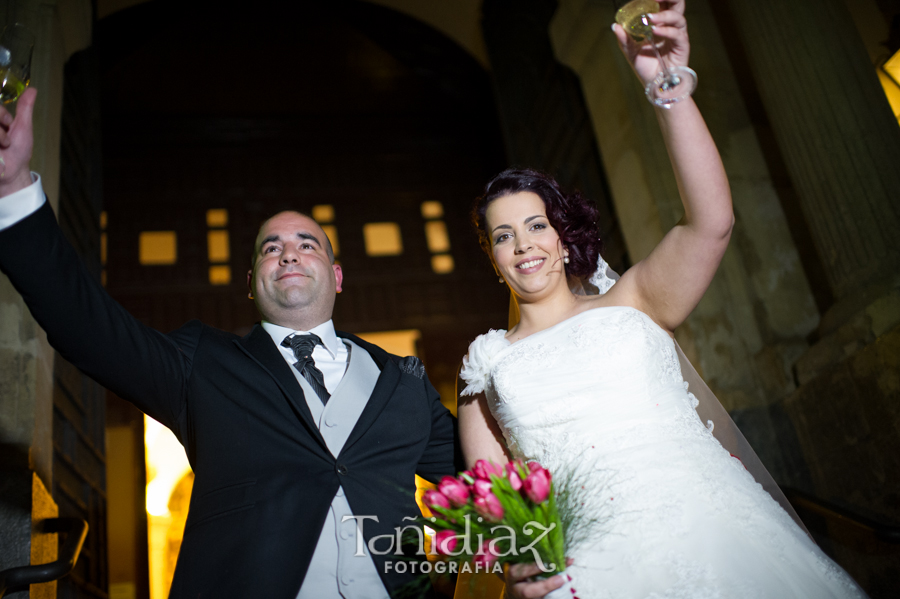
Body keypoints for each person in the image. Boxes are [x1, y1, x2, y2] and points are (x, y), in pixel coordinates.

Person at [457, 2, 868, 598]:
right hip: (589, 573)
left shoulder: (635, 300)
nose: (523, 244)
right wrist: (518, 565)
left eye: (536, 225)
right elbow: (496, 503)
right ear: (493, 259)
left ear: (563, 236)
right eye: (503, 235)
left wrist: (665, 89)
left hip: (719, 537)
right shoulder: (485, 364)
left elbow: (712, 222)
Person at [0, 88, 459, 598]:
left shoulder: (404, 381)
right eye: (271, 248)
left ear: (337, 275)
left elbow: (487, 478)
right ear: (250, 281)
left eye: (307, 245)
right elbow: (86, 326)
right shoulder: (202, 363)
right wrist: (14, 189)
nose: (289, 254)